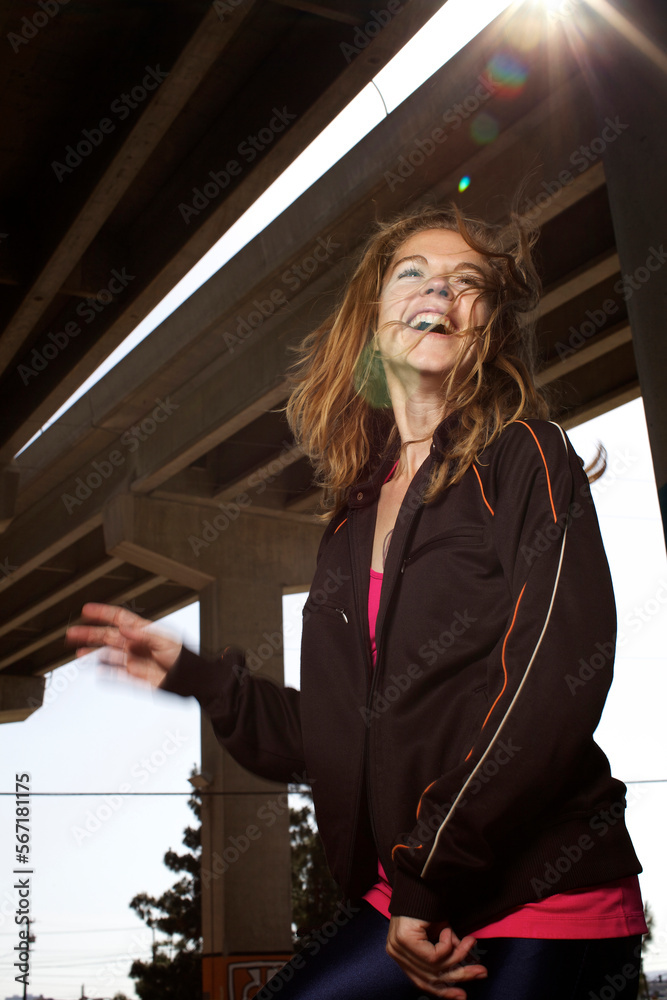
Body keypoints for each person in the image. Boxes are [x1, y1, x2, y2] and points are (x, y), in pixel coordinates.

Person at [67, 205, 647, 999]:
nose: (439, 289)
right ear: (372, 323)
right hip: (404, 898)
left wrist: (429, 873)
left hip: (538, 898)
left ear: (485, 327)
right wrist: (199, 677)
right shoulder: (351, 518)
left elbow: (552, 684)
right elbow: (341, 737)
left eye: (466, 281)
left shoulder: (525, 456)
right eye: (413, 273)